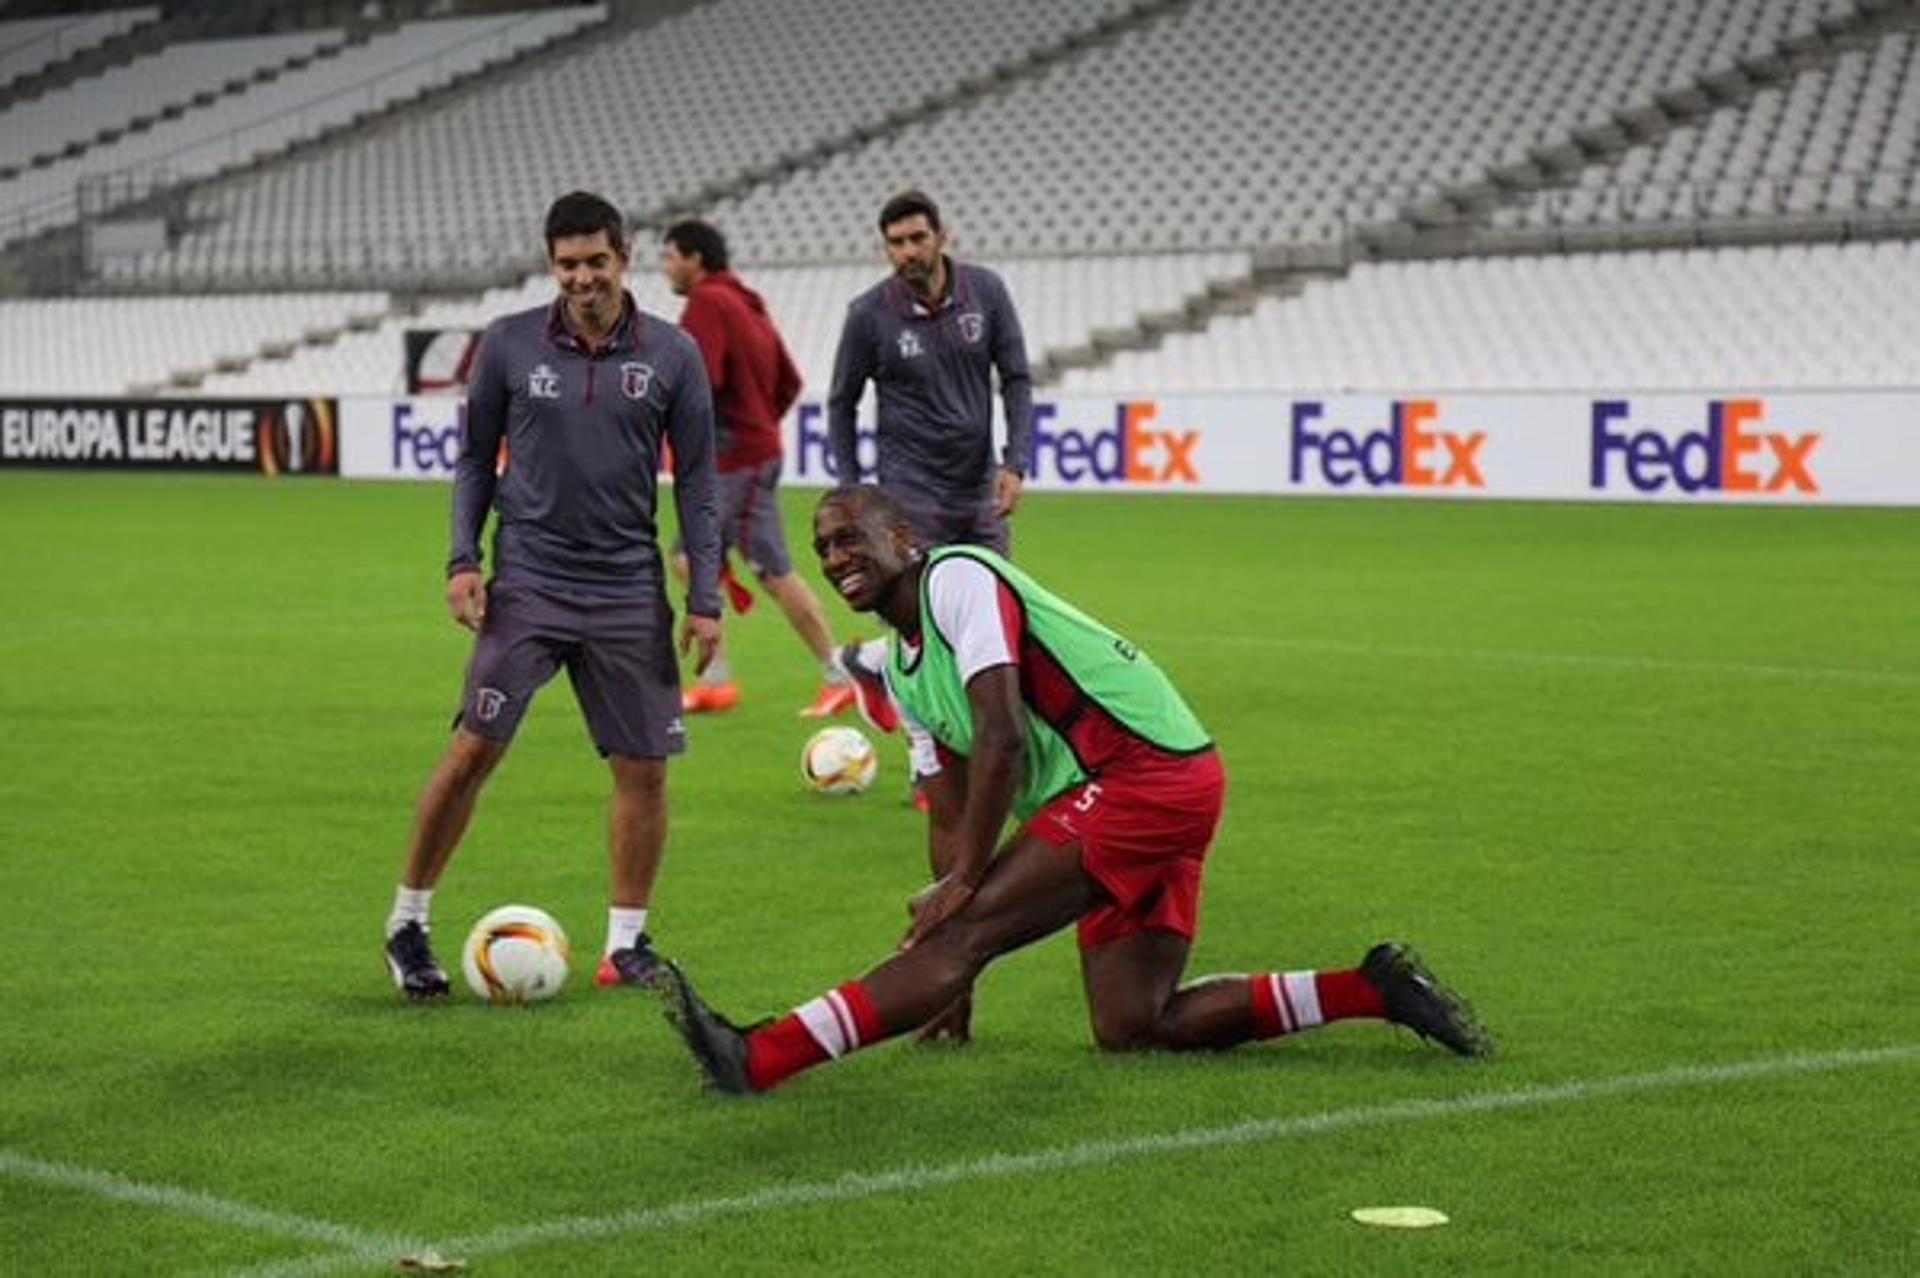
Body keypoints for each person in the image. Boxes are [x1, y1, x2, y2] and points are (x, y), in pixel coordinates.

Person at [657, 485, 1492, 1093]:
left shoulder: (958, 579)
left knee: (965, 928)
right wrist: (956, 928)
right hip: (1143, 790)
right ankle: (1371, 987)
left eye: (851, 537)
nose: (837, 556)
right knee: (1133, 1024)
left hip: (1145, 775)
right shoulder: (906, 677)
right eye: (824, 546)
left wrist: (965, 908)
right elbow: (946, 818)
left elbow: (1003, 736)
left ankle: (758, 1058)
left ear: (902, 536)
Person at [382, 190, 723, 1001]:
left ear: (624, 257)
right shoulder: (507, 346)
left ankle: (627, 946)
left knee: (645, 769)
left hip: (628, 587)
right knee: (474, 750)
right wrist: (462, 560)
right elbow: (473, 462)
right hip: (529, 582)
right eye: (566, 265)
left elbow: (701, 483)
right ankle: (408, 924)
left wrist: (705, 593)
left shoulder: (673, 355)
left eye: (595, 262)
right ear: (551, 264)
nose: (581, 278)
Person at [825, 190, 1037, 739]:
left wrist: (1016, 462)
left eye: (918, 238)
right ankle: (931, 761)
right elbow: (840, 401)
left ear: (943, 237)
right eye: (896, 243)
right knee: (930, 630)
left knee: (999, 617)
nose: (908, 251)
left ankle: (871, 663)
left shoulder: (985, 292)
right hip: (911, 495)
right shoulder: (868, 315)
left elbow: (1016, 377)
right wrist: (851, 489)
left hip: (978, 490)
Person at [659, 218, 855, 718]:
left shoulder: (707, 303)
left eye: (670, 256)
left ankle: (841, 674)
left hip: (735, 460)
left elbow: (697, 380)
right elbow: (789, 380)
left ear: (695, 259)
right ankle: (717, 679)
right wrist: (760, 422)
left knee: (767, 569)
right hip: (749, 453)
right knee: (691, 558)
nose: (666, 267)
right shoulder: (749, 301)